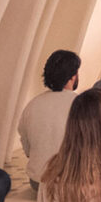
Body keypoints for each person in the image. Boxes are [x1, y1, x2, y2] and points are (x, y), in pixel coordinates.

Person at [19, 50, 80, 190]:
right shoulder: (81, 104)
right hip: (71, 184)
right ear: (73, 76)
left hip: (38, 182)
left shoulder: (32, 104)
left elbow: (28, 150)